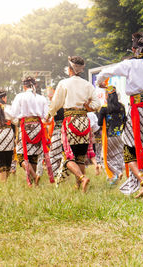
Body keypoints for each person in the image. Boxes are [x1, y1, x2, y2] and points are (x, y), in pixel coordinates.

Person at [96, 32, 143, 197]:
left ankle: (142, 181)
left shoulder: (129, 64)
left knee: (129, 148)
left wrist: (99, 82)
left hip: (137, 110)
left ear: (133, 49)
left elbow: (107, 72)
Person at [47, 56, 100, 192]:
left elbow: (56, 103)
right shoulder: (87, 84)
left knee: (68, 156)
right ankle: (79, 186)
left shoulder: (64, 83)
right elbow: (97, 104)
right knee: (80, 157)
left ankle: (82, 178)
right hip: (84, 121)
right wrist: (87, 107)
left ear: (70, 69)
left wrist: (49, 115)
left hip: (70, 121)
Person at [10, 76, 52, 186]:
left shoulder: (20, 96)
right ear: (35, 85)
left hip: (25, 126)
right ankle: (33, 183)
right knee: (34, 155)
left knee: (20, 156)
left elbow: (13, 113)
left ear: (24, 86)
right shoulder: (41, 98)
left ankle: (34, 176)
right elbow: (48, 117)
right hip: (38, 126)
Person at [97, 85, 126, 185]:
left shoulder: (104, 108)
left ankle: (115, 174)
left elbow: (99, 123)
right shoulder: (122, 106)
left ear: (107, 96)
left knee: (106, 158)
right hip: (119, 136)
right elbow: (124, 120)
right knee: (119, 155)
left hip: (109, 137)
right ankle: (119, 172)